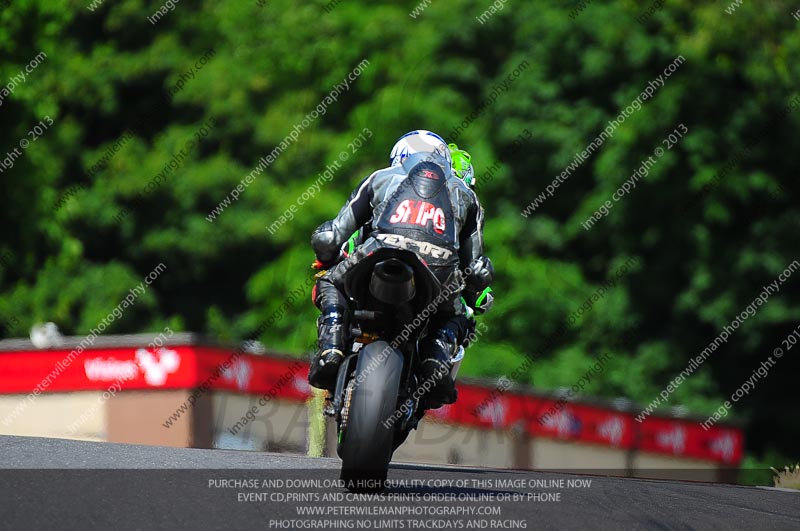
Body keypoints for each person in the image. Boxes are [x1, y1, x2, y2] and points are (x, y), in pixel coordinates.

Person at [308, 130, 494, 408]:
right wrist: (476, 288)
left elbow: (331, 238)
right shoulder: (466, 195)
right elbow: (475, 268)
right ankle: (435, 361)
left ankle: (332, 346)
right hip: (438, 269)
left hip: (379, 252)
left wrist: (325, 254)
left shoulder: (380, 177)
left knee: (329, 281)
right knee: (455, 316)